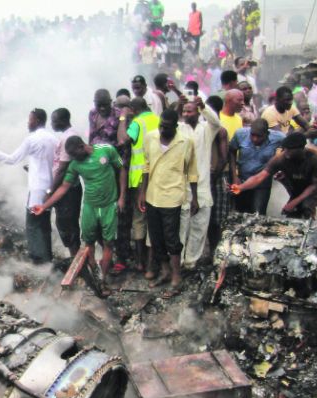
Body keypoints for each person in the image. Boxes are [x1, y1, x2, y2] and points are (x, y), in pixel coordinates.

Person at [32, 137, 127, 296]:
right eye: (72, 157)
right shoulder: (75, 165)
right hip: (90, 206)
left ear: (82, 146)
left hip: (109, 205)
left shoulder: (106, 150)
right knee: (88, 243)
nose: (75, 159)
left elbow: (122, 169)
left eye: (76, 154)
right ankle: (97, 280)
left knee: (108, 242)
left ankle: (102, 280)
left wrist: (122, 197)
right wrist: (44, 206)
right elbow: (64, 187)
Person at [0, 109, 58, 264]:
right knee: (44, 223)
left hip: (37, 188)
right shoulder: (54, 138)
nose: (27, 122)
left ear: (36, 120)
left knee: (33, 225)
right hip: (50, 187)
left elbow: (12, 159)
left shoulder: (31, 139)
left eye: (29, 119)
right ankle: (47, 256)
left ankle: (38, 260)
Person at [137, 109, 199, 296]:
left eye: (166, 127)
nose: (162, 129)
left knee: (172, 238)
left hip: (172, 197)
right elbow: (146, 166)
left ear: (175, 126)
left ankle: (176, 277)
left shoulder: (186, 142)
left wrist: (194, 197)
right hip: (153, 195)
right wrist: (142, 192)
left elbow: (192, 171)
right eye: (160, 126)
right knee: (156, 238)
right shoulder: (150, 138)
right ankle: (164, 271)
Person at [230, 132, 317, 219]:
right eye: (285, 149)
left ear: (301, 148)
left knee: (306, 206)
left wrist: (294, 202)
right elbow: (259, 177)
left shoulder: (315, 158)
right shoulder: (281, 158)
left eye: (290, 150)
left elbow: (314, 186)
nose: (286, 152)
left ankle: (312, 227)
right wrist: (240, 188)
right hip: (298, 184)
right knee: (292, 212)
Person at [117, 97, 161, 272]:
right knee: (155, 219)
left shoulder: (137, 122)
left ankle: (141, 261)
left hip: (139, 178)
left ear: (133, 110)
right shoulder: (158, 119)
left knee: (139, 220)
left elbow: (122, 140)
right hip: (158, 176)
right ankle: (154, 261)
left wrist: (122, 118)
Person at [178, 97, 221, 269]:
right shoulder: (180, 128)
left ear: (197, 113)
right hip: (182, 185)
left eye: (190, 111)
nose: (186, 114)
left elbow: (216, 123)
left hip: (202, 185)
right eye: (184, 111)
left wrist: (204, 107)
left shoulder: (206, 129)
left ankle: (191, 261)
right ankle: (178, 260)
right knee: (181, 227)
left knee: (200, 226)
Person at [228, 119, 285, 214]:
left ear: (267, 134)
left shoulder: (278, 138)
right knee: (240, 213)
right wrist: (234, 176)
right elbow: (231, 152)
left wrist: (281, 168)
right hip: (242, 181)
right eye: (252, 135)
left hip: (262, 184)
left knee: (258, 214)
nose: (255, 139)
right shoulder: (240, 134)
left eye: (259, 136)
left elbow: (289, 150)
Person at [49, 108, 82, 257]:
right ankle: (75, 258)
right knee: (67, 224)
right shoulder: (68, 135)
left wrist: (50, 191)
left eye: (53, 121)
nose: (52, 124)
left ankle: (77, 261)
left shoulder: (68, 138)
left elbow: (62, 169)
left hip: (67, 190)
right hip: (68, 188)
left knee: (67, 225)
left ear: (62, 121)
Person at [205, 95, 231, 258]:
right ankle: (213, 250)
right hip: (207, 177)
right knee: (209, 217)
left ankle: (217, 251)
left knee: (218, 218)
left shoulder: (220, 130)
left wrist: (214, 176)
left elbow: (224, 157)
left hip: (218, 177)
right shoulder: (204, 128)